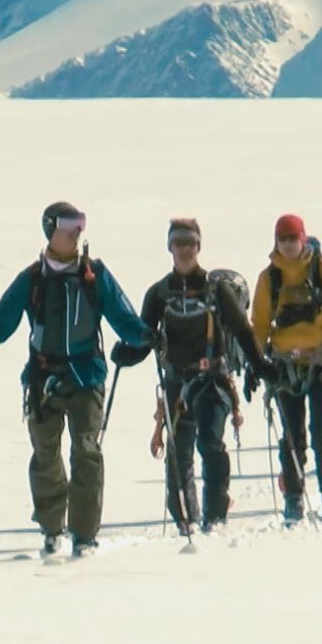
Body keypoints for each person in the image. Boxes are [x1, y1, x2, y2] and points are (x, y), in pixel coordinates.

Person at [0, 201, 152, 558]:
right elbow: (0, 325)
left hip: (87, 377)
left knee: (86, 452)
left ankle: (84, 536)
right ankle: (52, 527)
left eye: (81, 224)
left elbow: (124, 316)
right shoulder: (32, 280)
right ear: (50, 229)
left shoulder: (95, 275)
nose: (77, 231)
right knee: (45, 454)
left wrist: (146, 337)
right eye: (69, 224)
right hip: (42, 377)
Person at [125, 218, 274, 535]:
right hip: (176, 383)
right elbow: (144, 334)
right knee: (179, 456)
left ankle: (214, 516)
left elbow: (242, 330)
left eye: (190, 244)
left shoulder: (216, 289)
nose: (185, 250)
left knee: (210, 444)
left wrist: (259, 365)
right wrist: (129, 353)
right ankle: (186, 519)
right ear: (170, 247)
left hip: (212, 382)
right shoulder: (159, 294)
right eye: (179, 243)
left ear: (198, 247)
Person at [250, 213, 322, 524]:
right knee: (292, 434)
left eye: (293, 239)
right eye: (283, 240)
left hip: (319, 363)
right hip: (285, 366)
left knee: (321, 431)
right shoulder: (270, 278)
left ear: (303, 239)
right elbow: (260, 323)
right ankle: (293, 496)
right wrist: (257, 361)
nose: (289, 245)